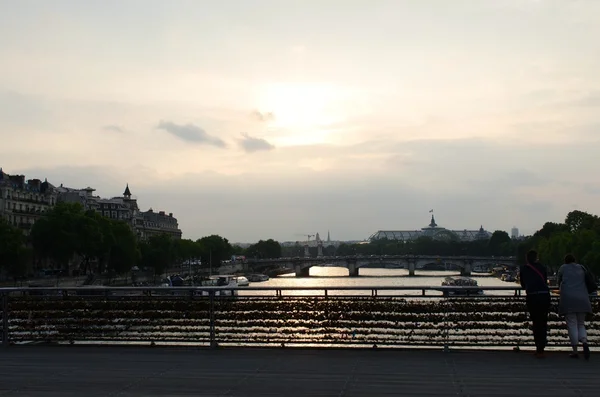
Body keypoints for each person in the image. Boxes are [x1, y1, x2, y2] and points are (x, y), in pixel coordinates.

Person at [557, 254, 592, 360]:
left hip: (569, 300)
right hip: (583, 298)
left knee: (572, 324)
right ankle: (584, 341)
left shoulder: (563, 268)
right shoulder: (581, 268)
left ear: (565, 261)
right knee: (581, 324)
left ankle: (575, 350)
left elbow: (559, 281)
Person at [519, 249, 551, 358]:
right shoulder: (542, 267)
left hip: (532, 296)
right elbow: (545, 280)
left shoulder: (524, 268)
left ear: (527, 259)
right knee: (543, 321)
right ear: (537, 257)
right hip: (544, 296)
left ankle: (538, 347)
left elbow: (523, 285)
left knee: (536, 322)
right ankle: (541, 347)